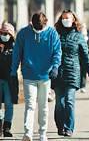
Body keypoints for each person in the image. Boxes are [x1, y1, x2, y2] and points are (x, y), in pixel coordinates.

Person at [11, 12, 62, 141]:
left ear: (45, 23)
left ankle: (43, 133)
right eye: (36, 27)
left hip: (45, 75)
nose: (38, 30)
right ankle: (28, 132)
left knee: (43, 105)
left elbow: (57, 52)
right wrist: (13, 70)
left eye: (41, 27)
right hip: (29, 74)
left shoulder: (52, 34)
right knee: (30, 105)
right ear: (31, 23)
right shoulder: (23, 33)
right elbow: (17, 53)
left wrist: (55, 66)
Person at [52, 10, 89, 137]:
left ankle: (69, 127)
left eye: (68, 18)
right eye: (63, 18)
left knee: (69, 101)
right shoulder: (55, 35)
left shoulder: (78, 36)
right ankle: (60, 126)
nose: (66, 20)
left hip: (73, 72)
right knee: (59, 103)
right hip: (58, 73)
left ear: (73, 20)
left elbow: (85, 57)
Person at [0, 22, 18, 137]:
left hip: (10, 79)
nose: (3, 35)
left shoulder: (15, 47)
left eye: (6, 33)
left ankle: (7, 127)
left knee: (8, 104)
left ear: (11, 34)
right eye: (2, 33)